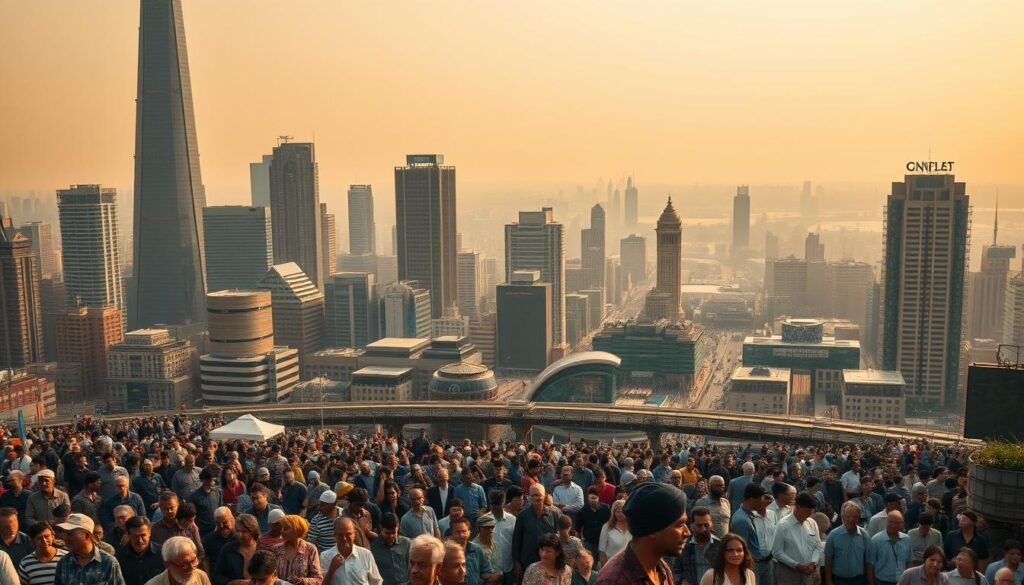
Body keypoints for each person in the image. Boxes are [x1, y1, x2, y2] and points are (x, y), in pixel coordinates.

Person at [594, 481, 690, 585]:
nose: (687, 532)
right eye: (680, 525)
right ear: (653, 528)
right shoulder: (614, 581)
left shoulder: (660, 567)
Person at [52, 513, 126, 585]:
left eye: (70, 534)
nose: (65, 538)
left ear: (87, 535)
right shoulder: (64, 563)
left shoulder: (108, 562)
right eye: (65, 534)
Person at [511, 484, 561, 581]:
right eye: (533, 495)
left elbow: (557, 538)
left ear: (544, 496)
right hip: (528, 561)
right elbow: (516, 540)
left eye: (538, 495)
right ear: (529, 497)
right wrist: (516, 562)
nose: (535, 498)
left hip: (548, 561)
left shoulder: (553, 514)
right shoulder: (522, 516)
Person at [772, 492, 825, 585]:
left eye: (811, 512)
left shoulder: (812, 523)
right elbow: (777, 552)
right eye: (807, 511)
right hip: (789, 574)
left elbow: (818, 547)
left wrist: (813, 563)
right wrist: (797, 565)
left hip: (809, 574)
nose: (809, 515)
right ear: (797, 507)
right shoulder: (783, 525)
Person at [729, 483, 773, 585]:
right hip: (752, 566)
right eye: (762, 498)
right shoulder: (741, 520)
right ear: (753, 499)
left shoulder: (750, 515)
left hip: (762, 564)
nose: (764, 501)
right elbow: (742, 549)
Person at [320, 517, 383, 585]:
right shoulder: (325, 556)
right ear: (334, 535)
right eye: (340, 535)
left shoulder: (366, 555)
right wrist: (331, 570)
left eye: (348, 534)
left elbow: (376, 581)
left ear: (354, 534)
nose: (344, 538)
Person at [824, 502, 870, 585]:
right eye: (847, 516)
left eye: (854, 516)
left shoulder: (864, 535)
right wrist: (829, 581)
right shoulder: (833, 535)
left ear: (858, 517)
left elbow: (868, 561)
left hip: (859, 580)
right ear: (842, 517)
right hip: (840, 581)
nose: (850, 519)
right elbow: (828, 561)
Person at [672, 507, 720, 585]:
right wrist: (681, 581)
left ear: (711, 524)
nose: (703, 529)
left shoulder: (719, 545)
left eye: (706, 525)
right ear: (692, 526)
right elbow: (676, 570)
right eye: (699, 525)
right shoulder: (683, 546)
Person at [271, 515, 321, 585]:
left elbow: (318, 579)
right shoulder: (276, 549)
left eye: (286, 528)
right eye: (281, 528)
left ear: (297, 529)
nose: (282, 531)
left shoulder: (310, 549)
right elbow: (270, 575)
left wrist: (303, 581)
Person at [212, 513, 260, 585]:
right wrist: (233, 582)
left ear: (253, 531)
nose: (239, 535)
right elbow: (216, 576)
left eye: (244, 531)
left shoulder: (262, 548)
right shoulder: (228, 549)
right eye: (237, 531)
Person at [144, 535, 211, 585]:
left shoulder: (201, 577)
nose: (191, 568)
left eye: (193, 561)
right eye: (184, 565)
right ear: (167, 565)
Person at [116, 516, 164, 585]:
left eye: (143, 535)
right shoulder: (119, 556)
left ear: (149, 532)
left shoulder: (162, 554)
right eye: (136, 536)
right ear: (128, 535)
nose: (140, 541)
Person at [868, 511, 912, 585]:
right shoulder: (876, 540)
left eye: (897, 523)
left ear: (902, 524)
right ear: (886, 521)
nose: (893, 525)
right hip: (882, 581)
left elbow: (909, 561)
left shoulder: (906, 539)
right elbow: (870, 565)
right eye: (891, 522)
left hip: (902, 581)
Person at [17, 520, 68, 585]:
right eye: (39, 538)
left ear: (53, 537)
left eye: (47, 536)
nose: (44, 541)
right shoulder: (25, 563)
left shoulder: (66, 558)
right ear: (33, 541)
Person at [371, 513, 410, 585]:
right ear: (381, 528)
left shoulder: (407, 543)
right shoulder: (373, 547)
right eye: (387, 533)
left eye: (394, 533)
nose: (391, 536)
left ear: (398, 528)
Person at [577, 488, 610, 564]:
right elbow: (578, 527)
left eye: (594, 498)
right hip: (589, 542)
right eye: (591, 498)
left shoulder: (605, 508)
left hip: (604, 541)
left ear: (598, 498)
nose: (593, 500)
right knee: (591, 563)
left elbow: (610, 522)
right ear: (588, 498)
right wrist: (581, 540)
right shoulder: (583, 510)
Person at [202, 508, 235, 574]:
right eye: (218, 523)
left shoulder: (239, 537)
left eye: (225, 522)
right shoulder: (209, 539)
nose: (221, 526)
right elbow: (206, 560)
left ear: (232, 520)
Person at [598, 500, 630, 567]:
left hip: (629, 566)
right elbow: (601, 550)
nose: (619, 514)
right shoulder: (607, 527)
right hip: (611, 566)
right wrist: (604, 568)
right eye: (617, 511)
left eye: (622, 511)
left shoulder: (633, 527)